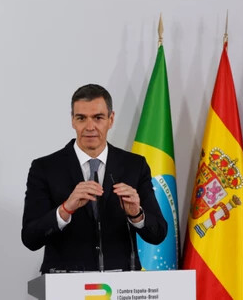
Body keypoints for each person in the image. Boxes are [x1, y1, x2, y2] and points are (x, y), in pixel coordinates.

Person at [21, 84, 167, 272]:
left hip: (123, 285)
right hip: (65, 283)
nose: (90, 127)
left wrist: (136, 213)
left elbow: (158, 234)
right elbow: (30, 238)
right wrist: (65, 209)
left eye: (98, 118)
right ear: (73, 121)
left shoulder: (135, 165)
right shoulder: (45, 168)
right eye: (81, 118)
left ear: (111, 119)